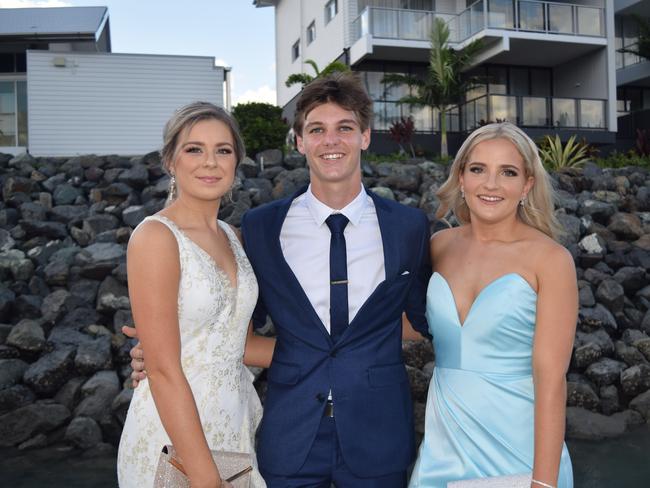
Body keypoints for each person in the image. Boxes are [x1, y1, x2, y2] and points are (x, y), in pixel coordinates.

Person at [128, 72, 432, 487]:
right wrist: (164, 354)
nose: (331, 141)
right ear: (299, 141)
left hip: (378, 435)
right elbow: (231, 326)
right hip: (289, 437)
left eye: (344, 128)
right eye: (316, 130)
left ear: (364, 136)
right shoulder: (260, 229)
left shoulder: (409, 227)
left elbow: (422, 319)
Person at [408, 122, 576, 488]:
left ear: (527, 185)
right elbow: (417, 325)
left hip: (519, 450)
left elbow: (551, 381)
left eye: (508, 172)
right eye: (478, 169)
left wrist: (543, 484)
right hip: (443, 450)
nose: (491, 184)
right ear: (462, 178)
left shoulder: (551, 260)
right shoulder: (438, 247)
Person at [117, 102, 272, 488]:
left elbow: (242, 344)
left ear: (237, 161)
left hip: (233, 432)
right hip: (174, 441)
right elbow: (163, 368)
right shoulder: (155, 238)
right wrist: (204, 477)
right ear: (170, 160)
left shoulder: (233, 238)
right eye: (194, 149)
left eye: (223, 150)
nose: (211, 162)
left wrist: (335, 352)